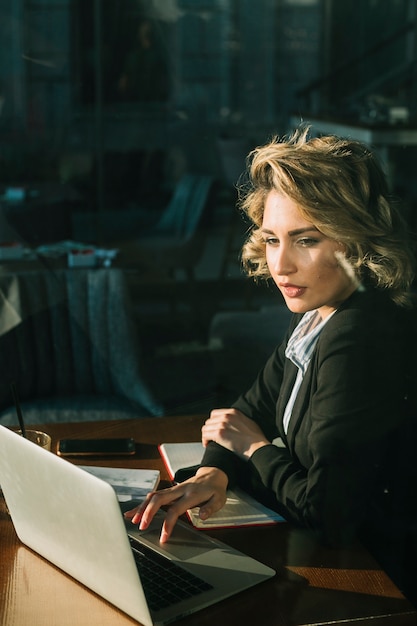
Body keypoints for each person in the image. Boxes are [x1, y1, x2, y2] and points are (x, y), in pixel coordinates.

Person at [126, 126, 417, 603]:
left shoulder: (360, 335)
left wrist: (253, 451)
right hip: (333, 563)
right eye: (271, 239)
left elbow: (328, 514)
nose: (280, 265)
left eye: (305, 240)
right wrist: (213, 473)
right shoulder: (322, 312)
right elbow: (246, 410)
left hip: (377, 584)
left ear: (356, 240)